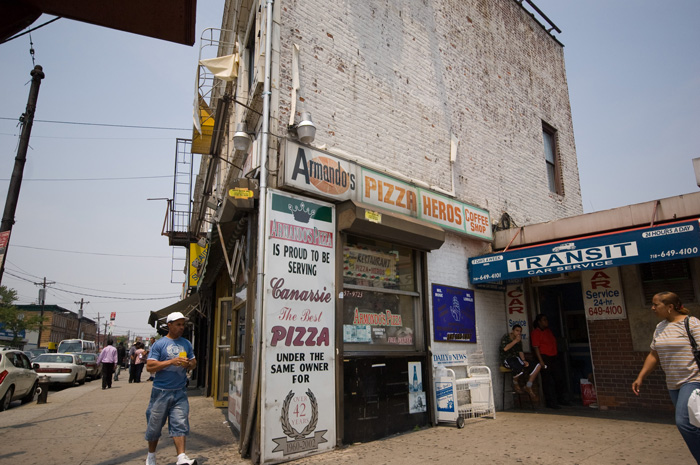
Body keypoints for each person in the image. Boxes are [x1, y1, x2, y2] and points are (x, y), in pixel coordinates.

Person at [632, 292, 700, 463]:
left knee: (684, 423)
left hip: (693, 380)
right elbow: (654, 355)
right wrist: (641, 376)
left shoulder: (691, 323)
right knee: (694, 424)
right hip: (673, 384)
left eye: (656, 305)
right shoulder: (660, 327)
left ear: (670, 307)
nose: (652, 308)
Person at [144, 311, 197, 465]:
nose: (182, 327)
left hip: (179, 391)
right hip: (161, 392)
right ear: (169, 325)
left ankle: (181, 457)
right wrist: (170, 362)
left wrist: (189, 364)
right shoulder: (159, 344)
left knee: (180, 423)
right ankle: (151, 456)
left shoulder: (186, 343)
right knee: (154, 425)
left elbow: (194, 362)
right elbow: (149, 366)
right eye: (178, 324)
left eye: (183, 324)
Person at [531, 314, 568, 409]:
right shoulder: (536, 332)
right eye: (544, 320)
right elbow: (536, 348)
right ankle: (550, 402)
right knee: (547, 381)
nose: (546, 321)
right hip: (544, 357)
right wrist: (541, 361)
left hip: (553, 356)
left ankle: (561, 398)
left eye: (546, 319)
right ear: (539, 322)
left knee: (559, 378)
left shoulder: (548, 331)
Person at [500, 324, 541, 402]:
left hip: (517, 359)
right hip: (508, 359)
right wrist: (515, 341)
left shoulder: (519, 340)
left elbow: (520, 351)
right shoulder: (506, 337)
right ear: (513, 331)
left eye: (520, 331)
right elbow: (505, 349)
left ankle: (528, 386)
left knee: (537, 366)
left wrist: (524, 360)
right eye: (517, 331)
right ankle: (515, 383)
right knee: (519, 368)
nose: (518, 333)